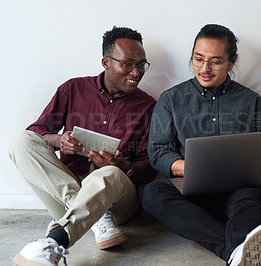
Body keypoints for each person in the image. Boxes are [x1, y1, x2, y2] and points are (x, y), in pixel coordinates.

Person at [140, 24, 261, 266]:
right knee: (151, 193)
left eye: (216, 62)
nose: (204, 69)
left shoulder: (252, 102)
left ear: (232, 62)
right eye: (198, 59)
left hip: (239, 194)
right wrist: (190, 168)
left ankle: (234, 252)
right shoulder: (171, 99)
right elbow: (159, 152)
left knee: (254, 196)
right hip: (190, 196)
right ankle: (240, 251)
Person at [8, 26, 156, 266]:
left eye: (141, 65)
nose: (136, 72)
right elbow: (37, 132)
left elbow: (149, 166)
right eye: (128, 64)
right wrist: (59, 140)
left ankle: (57, 239)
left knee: (109, 173)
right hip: (66, 190)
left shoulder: (148, 106)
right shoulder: (72, 89)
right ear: (105, 62)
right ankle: (89, 211)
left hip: (117, 204)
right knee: (20, 141)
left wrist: (124, 165)